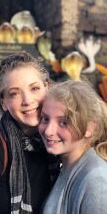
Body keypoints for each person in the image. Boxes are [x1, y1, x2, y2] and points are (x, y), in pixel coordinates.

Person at [0, 52, 60, 214]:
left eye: (35, 88)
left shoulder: (59, 142)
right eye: (14, 93)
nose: (27, 100)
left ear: (47, 87)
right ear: (3, 102)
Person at [38, 80, 107, 214]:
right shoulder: (66, 167)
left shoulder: (96, 180)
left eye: (63, 122)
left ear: (90, 127)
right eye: (45, 119)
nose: (48, 131)